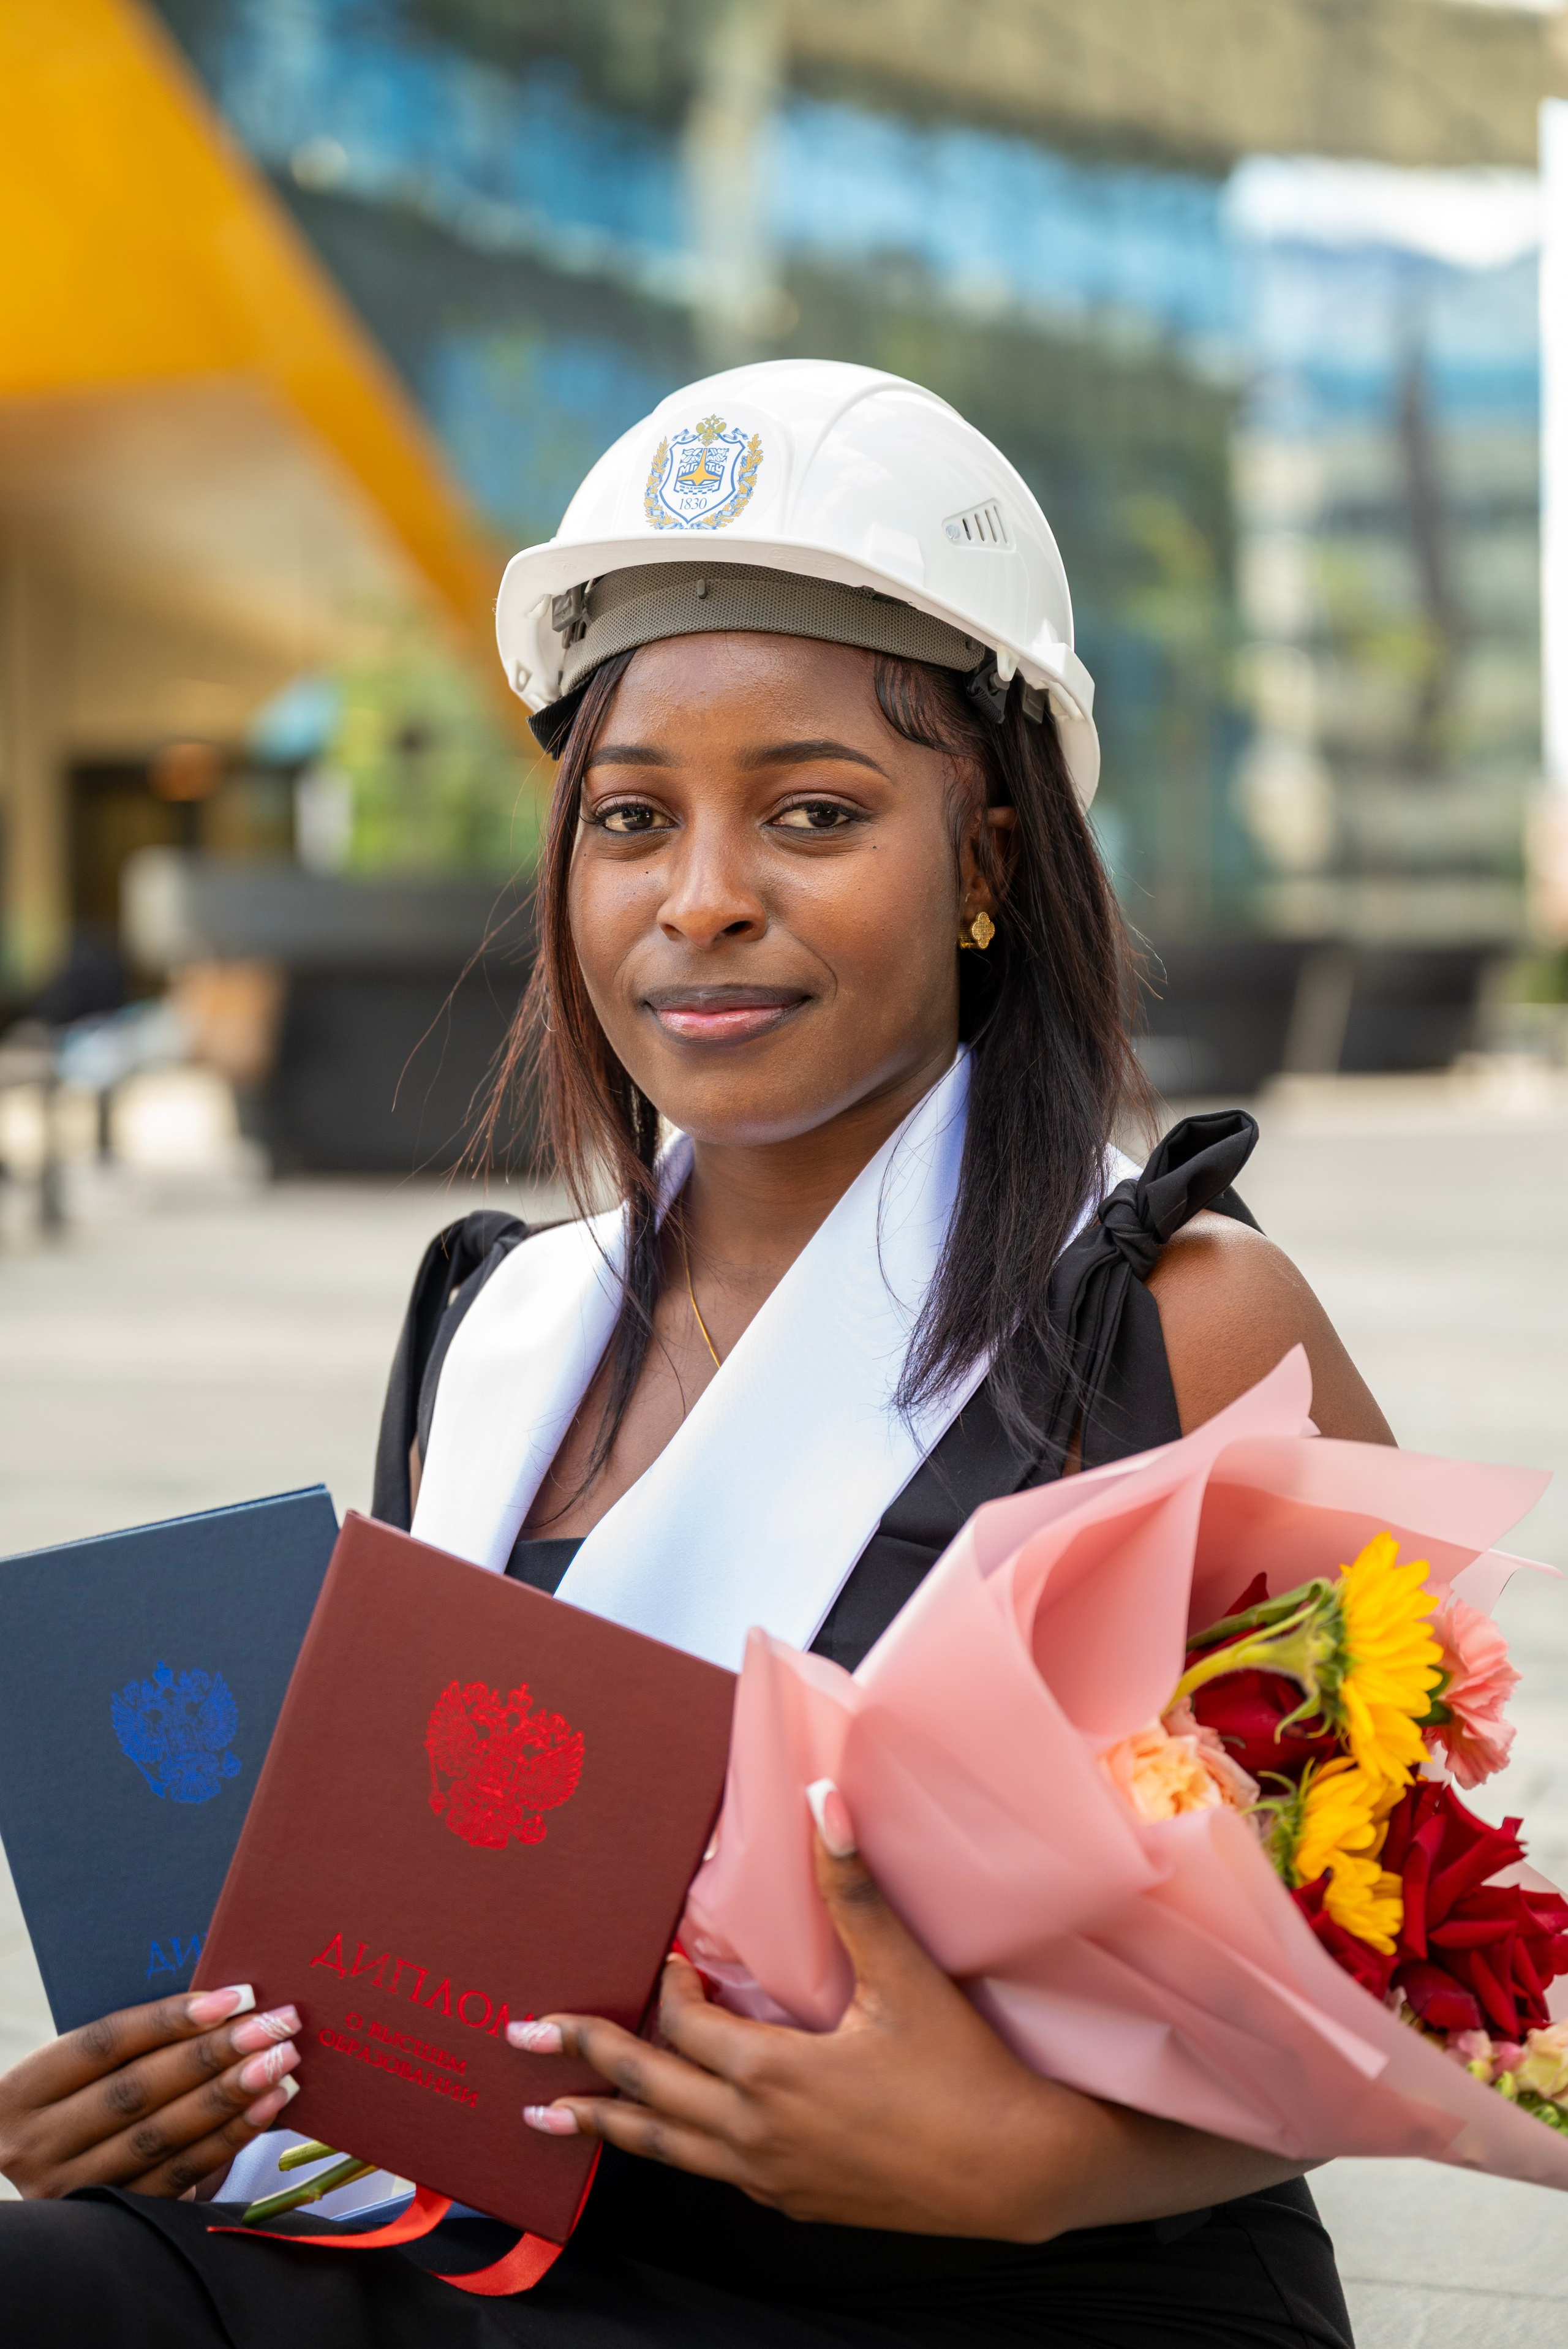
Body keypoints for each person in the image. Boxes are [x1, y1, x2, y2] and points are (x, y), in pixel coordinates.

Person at [0, 363, 1389, 2347]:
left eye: (812, 813)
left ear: (990, 854)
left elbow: (1434, 1971)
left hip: (999, 2295)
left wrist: (1028, 2160)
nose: (703, 897)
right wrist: (180, 2099)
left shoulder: (1173, 1320)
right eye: (633, 819)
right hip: (501, 2255)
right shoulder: (504, 1324)